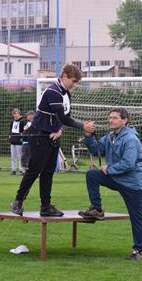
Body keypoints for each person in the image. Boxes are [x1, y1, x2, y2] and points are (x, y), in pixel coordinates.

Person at [11, 64, 95, 217]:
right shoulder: (53, 91)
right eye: (74, 81)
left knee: (49, 172)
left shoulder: (66, 93)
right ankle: (18, 201)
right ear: (64, 76)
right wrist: (83, 125)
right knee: (34, 170)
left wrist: (60, 130)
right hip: (39, 135)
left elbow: (63, 119)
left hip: (53, 136)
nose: (75, 85)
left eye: (77, 82)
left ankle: (45, 206)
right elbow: (63, 117)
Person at [78, 108, 142, 261]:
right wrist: (88, 136)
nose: (111, 120)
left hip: (132, 183)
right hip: (115, 177)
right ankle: (97, 209)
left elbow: (128, 163)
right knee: (92, 175)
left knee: (137, 217)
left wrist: (109, 169)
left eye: (115, 118)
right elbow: (97, 150)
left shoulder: (131, 139)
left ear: (125, 120)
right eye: (110, 117)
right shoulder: (110, 137)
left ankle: (137, 250)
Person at [9, 108, 25, 175]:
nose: (15, 115)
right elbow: (10, 131)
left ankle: (21, 170)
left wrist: (21, 138)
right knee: (13, 156)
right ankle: (13, 170)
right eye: (14, 113)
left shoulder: (22, 122)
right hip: (13, 141)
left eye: (16, 113)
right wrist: (10, 136)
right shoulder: (12, 122)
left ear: (19, 114)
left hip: (19, 141)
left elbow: (23, 131)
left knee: (20, 156)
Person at [20, 110, 35, 175]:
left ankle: (30, 171)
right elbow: (24, 130)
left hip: (30, 143)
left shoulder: (34, 123)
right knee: (23, 157)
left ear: (32, 116)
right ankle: (24, 171)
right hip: (24, 142)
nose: (27, 116)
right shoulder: (27, 122)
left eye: (28, 115)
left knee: (30, 157)